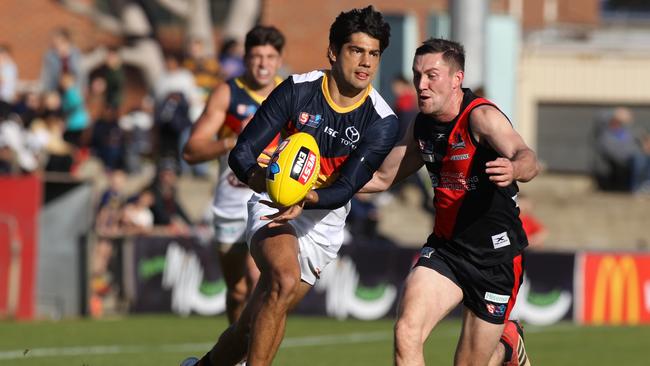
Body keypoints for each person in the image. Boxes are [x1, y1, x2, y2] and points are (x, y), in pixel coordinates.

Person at [181, 6, 397, 366]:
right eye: (356, 50)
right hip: (272, 202)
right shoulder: (297, 90)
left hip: (324, 220)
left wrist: (306, 196)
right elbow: (244, 151)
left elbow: (345, 189)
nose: (365, 62)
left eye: (373, 53)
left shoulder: (382, 120)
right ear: (333, 51)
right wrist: (269, 182)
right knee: (282, 279)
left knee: (257, 319)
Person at [361, 38, 539, 366]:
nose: (421, 85)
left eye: (432, 75)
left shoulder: (481, 118)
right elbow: (381, 178)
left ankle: (507, 348)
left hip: (494, 260)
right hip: (446, 250)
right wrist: (317, 186)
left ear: (457, 79)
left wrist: (514, 167)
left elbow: (528, 157)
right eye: (417, 76)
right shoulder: (422, 125)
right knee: (406, 332)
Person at [183, 25, 286, 325]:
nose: (263, 64)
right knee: (238, 290)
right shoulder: (228, 93)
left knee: (260, 280)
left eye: (270, 56)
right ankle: (235, 352)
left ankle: (254, 355)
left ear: (279, 60)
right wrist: (235, 140)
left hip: (269, 202)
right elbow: (191, 150)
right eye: (256, 56)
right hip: (230, 203)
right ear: (245, 58)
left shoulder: (289, 94)